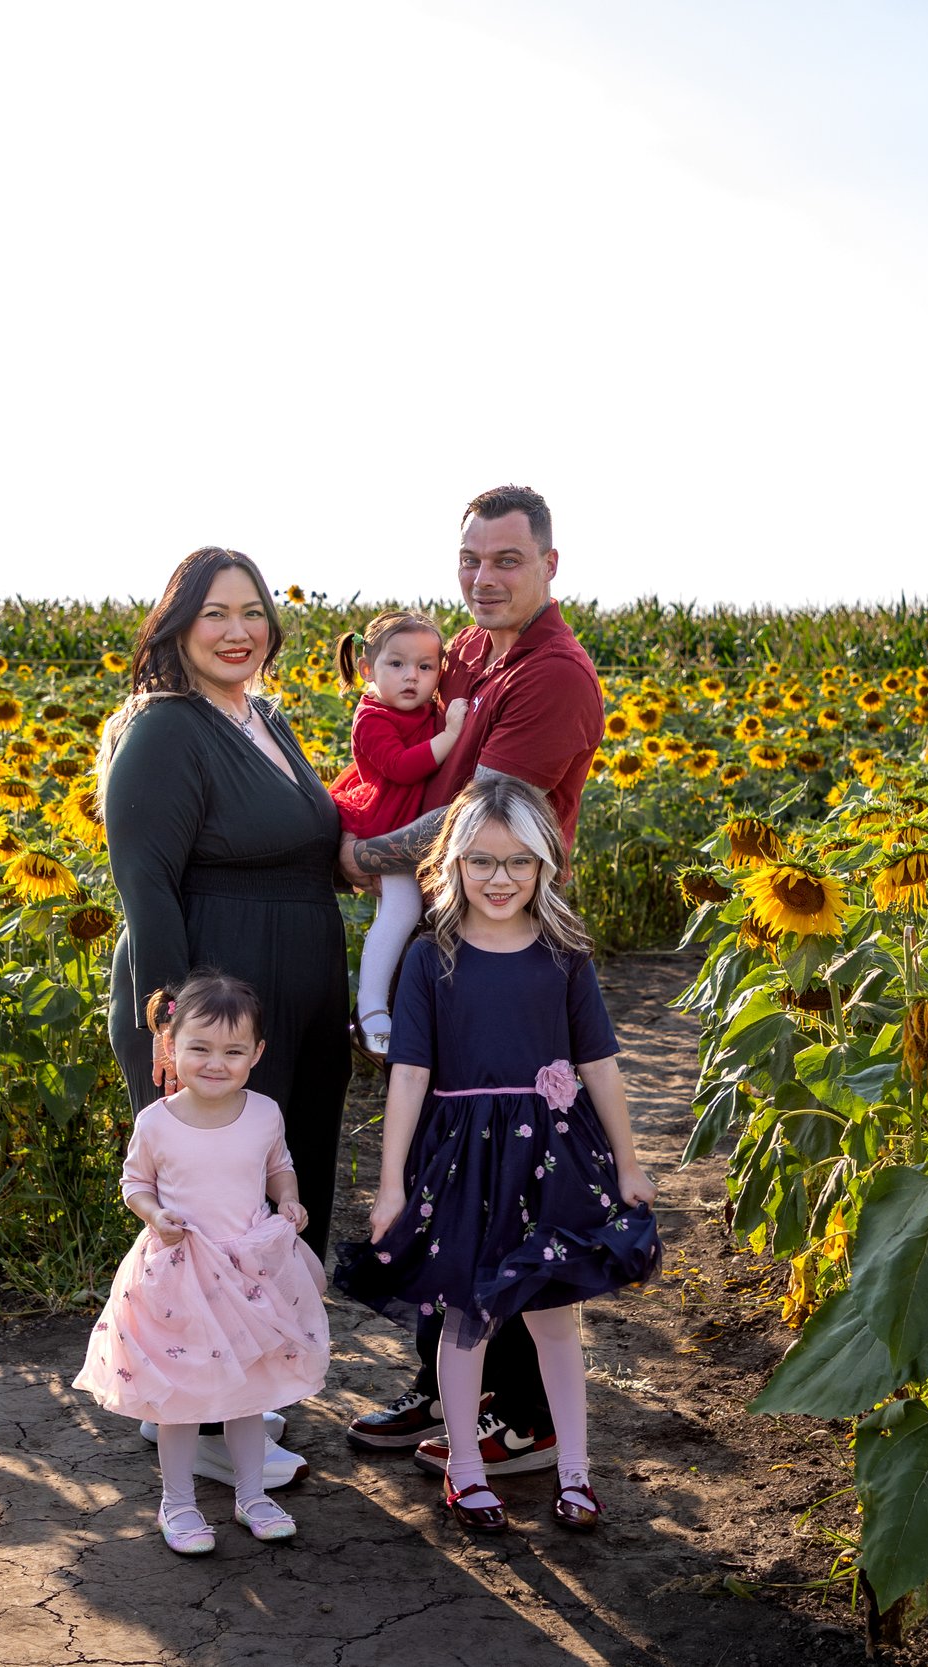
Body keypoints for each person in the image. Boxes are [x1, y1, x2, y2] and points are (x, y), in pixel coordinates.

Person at [337, 485, 606, 1479]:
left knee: (515, 1177)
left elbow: (473, 824)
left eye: (505, 560)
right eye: (470, 560)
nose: (483, 578)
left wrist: (351, 853)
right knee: (445, 1174)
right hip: (448, 941)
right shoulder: (473, 649)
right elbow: (395, 708)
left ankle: (526, 1416)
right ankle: (444, 1380)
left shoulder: (555, 677)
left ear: (549, 564)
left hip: (506, 951)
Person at [335, 777, 661, 1532]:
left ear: (545, 864)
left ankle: (575, 1471)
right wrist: (391, 1185)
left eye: (519, 862)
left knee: (555, 1317)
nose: (500, 879)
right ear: (453, 863)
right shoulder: (432, 957)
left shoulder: (564, 953)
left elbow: (601, 1066)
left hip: (553, 1155)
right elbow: (410, 1074)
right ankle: (467, 1469)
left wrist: (630, 1161)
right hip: (460, 1160)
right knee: (466, 1317)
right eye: (482, 862)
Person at [102, 546, 352, 1492]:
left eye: (253, 611)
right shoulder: (165, 731)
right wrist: (173, 1021)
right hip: (211, 1005)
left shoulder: (266, 719)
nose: (239, 629)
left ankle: (236, 1391)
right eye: (215, 613)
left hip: (291, 996)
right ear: (176, 627)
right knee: (209, 1211)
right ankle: (201, 1419)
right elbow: (146, 884)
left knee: (272, 1192)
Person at [73, 974, 330, 1554]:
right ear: (170, 1047)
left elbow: (278, 1164)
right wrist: (154, 1215)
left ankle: (251, 1495)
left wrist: (287, 1197)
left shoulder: (263, 1113)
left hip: (248, 1273)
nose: (217, 1063)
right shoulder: (157, 1121)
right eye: (200, 1048)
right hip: (180, 1274)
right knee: (181, 1399)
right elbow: (134, 1182)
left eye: (234, 1052)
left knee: (249, 1392)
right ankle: (179, 1503)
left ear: (257, 1054)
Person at [326, 610, 469, 1056]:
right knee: (402, 908)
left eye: (426, 667)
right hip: (385, 821)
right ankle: (369, 1009)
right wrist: (452, 734)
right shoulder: (371, 717)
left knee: (410, 914)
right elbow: (402, 767)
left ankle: (388, 1003)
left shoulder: (426, 709)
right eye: (397, 664)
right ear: (368, 669)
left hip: (409, 820)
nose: (412, 677)